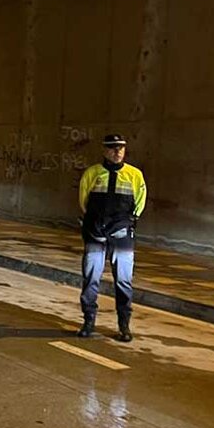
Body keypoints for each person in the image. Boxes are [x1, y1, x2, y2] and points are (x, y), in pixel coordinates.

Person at [76, 134, 147, 342]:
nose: (118, 152)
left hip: (121, 235)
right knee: (91, 279)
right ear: (105, 150)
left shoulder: (134, 175)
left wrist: (130, 220)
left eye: (121, 148)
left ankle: (124, 325)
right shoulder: (92, 173)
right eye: (113, 148)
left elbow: (140, 202)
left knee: (124, 281)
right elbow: (83, 201)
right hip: (95, 233)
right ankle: (89, 321)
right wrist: (93, 223)